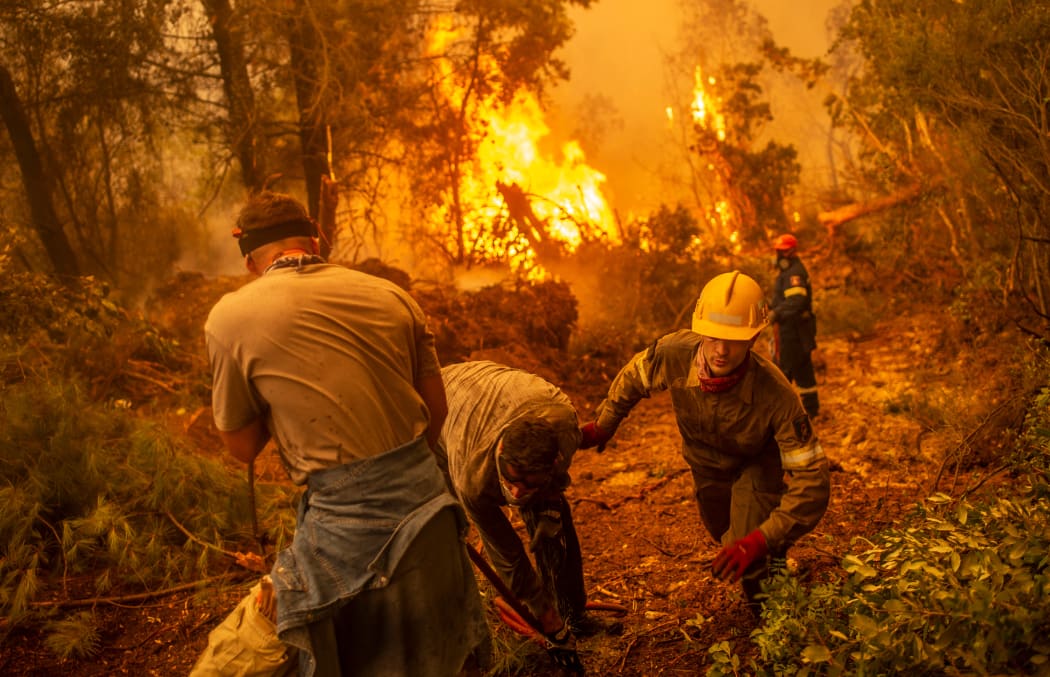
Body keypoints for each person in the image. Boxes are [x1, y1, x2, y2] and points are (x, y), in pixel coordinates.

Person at [204, 190, 488, 676]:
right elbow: (434, 415)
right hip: (431, 520)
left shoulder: (230, 316)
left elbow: (243, 446)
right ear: (318, 239)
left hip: (341, 532)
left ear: (249, 258)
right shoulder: (392, 295)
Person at [578, 271, 831, 610]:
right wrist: (604, 424)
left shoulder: (776, 394)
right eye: (713, 337)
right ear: (700, 330)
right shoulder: (673, 354)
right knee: (723, 535)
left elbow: (813, 480)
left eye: (735, 340)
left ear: (754, 338)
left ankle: (771, 613)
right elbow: (634, 377)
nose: (721, 350)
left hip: (755, 465)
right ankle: (766, 545)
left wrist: (762, 539)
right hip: (706, 466)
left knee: (748, 551)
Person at [435, 360, 619, 644]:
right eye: (511, 481)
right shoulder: (472, 476)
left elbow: (554, 484)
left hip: (515, 398)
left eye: (529, 484)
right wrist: (541, 610)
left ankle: (574, 616)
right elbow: (507, 553)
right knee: (447, 524)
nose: (518, 494)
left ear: (554, 461)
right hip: (438, 405)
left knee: (557, 526)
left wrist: (549, 512)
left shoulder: (564, 429)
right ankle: (462, 627)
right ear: (500, 452)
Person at [769, 233, 820, 419]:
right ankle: (812, 410)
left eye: (781, 252)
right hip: (795, 330)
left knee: (784, 370)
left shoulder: (794, 273)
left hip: (793, 331)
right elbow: (785, 300)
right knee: (802, 370)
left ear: (791, 251)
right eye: (777, 251)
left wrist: (776, 313)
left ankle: (780, 413)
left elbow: (797, 300)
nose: (778, 256)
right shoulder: (787, 272)